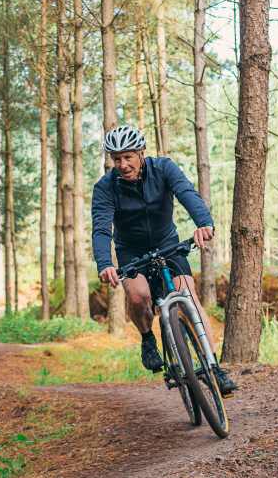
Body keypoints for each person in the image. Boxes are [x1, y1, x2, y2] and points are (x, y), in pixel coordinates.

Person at [91, 125, 238, 396]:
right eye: (116, 159)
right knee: (137, 296)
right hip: (130, 251)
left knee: (188, 296)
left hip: (167, 244)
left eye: (128, 157)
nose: (123, 164)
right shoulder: (105, 188)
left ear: (141, 153)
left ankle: (213, 366)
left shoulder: (164, 169)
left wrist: (204, 223)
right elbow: (101, 228)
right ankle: (148, 338)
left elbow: (187, 194)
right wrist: (104, 263)